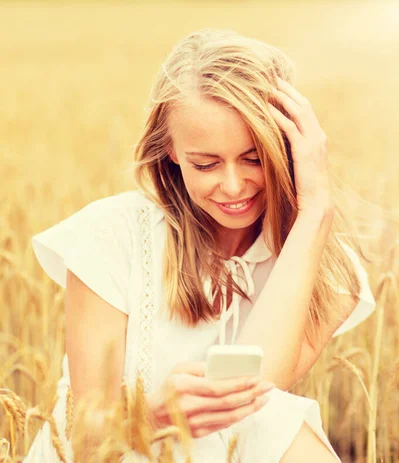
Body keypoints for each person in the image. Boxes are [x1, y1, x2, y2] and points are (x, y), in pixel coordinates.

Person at [24, 29, 376, 462]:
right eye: (205, 163)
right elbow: (84, 440)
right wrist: (152, 417)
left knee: (277, 419)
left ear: (290, 147)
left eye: (254, 158)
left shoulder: (327, 270)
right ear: (170, 150)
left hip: (231, 449)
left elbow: (252, 395)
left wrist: (315, 213)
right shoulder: (111, 235)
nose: (233, 186)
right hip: (113, 456)